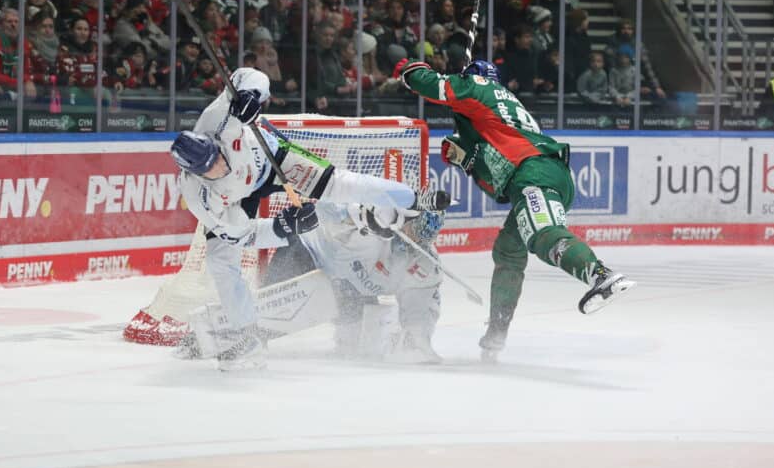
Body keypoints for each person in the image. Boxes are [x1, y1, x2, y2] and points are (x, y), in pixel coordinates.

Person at [169, 66, 449, 370]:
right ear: (194, 173)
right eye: (210, 169)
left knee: (339, 183)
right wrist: (282, 227)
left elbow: (249, 76)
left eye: (218, 157)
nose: (220, 167)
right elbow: (241, 234)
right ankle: (246, 336)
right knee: (220, 260)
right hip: (239, 202)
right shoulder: (199, 198)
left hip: (272, 160)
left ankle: (412, 198)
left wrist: (251, 94)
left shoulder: (216, 119)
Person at [394, 57, 635, 362]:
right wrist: (468, 159)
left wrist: (410, 69)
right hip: (537, 173)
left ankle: (600, 275)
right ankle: (496, 333)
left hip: (534, 173)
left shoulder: (479, 86)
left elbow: (434, 86)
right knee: (508, 250)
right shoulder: (499, 111)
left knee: (541, 234)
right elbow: (498, 183)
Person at [169, 201, 446, 364]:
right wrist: (359, 216)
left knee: (353, 347)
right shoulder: (380, 213)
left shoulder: (424, 266)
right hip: (309, 253)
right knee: (272, 310)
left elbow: (419, 313)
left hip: (349, 287)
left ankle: (229, 335)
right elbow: (324, 207)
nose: (415, 237)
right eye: (413, 227)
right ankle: (212, 337)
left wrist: (417, 339)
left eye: (424, 234)